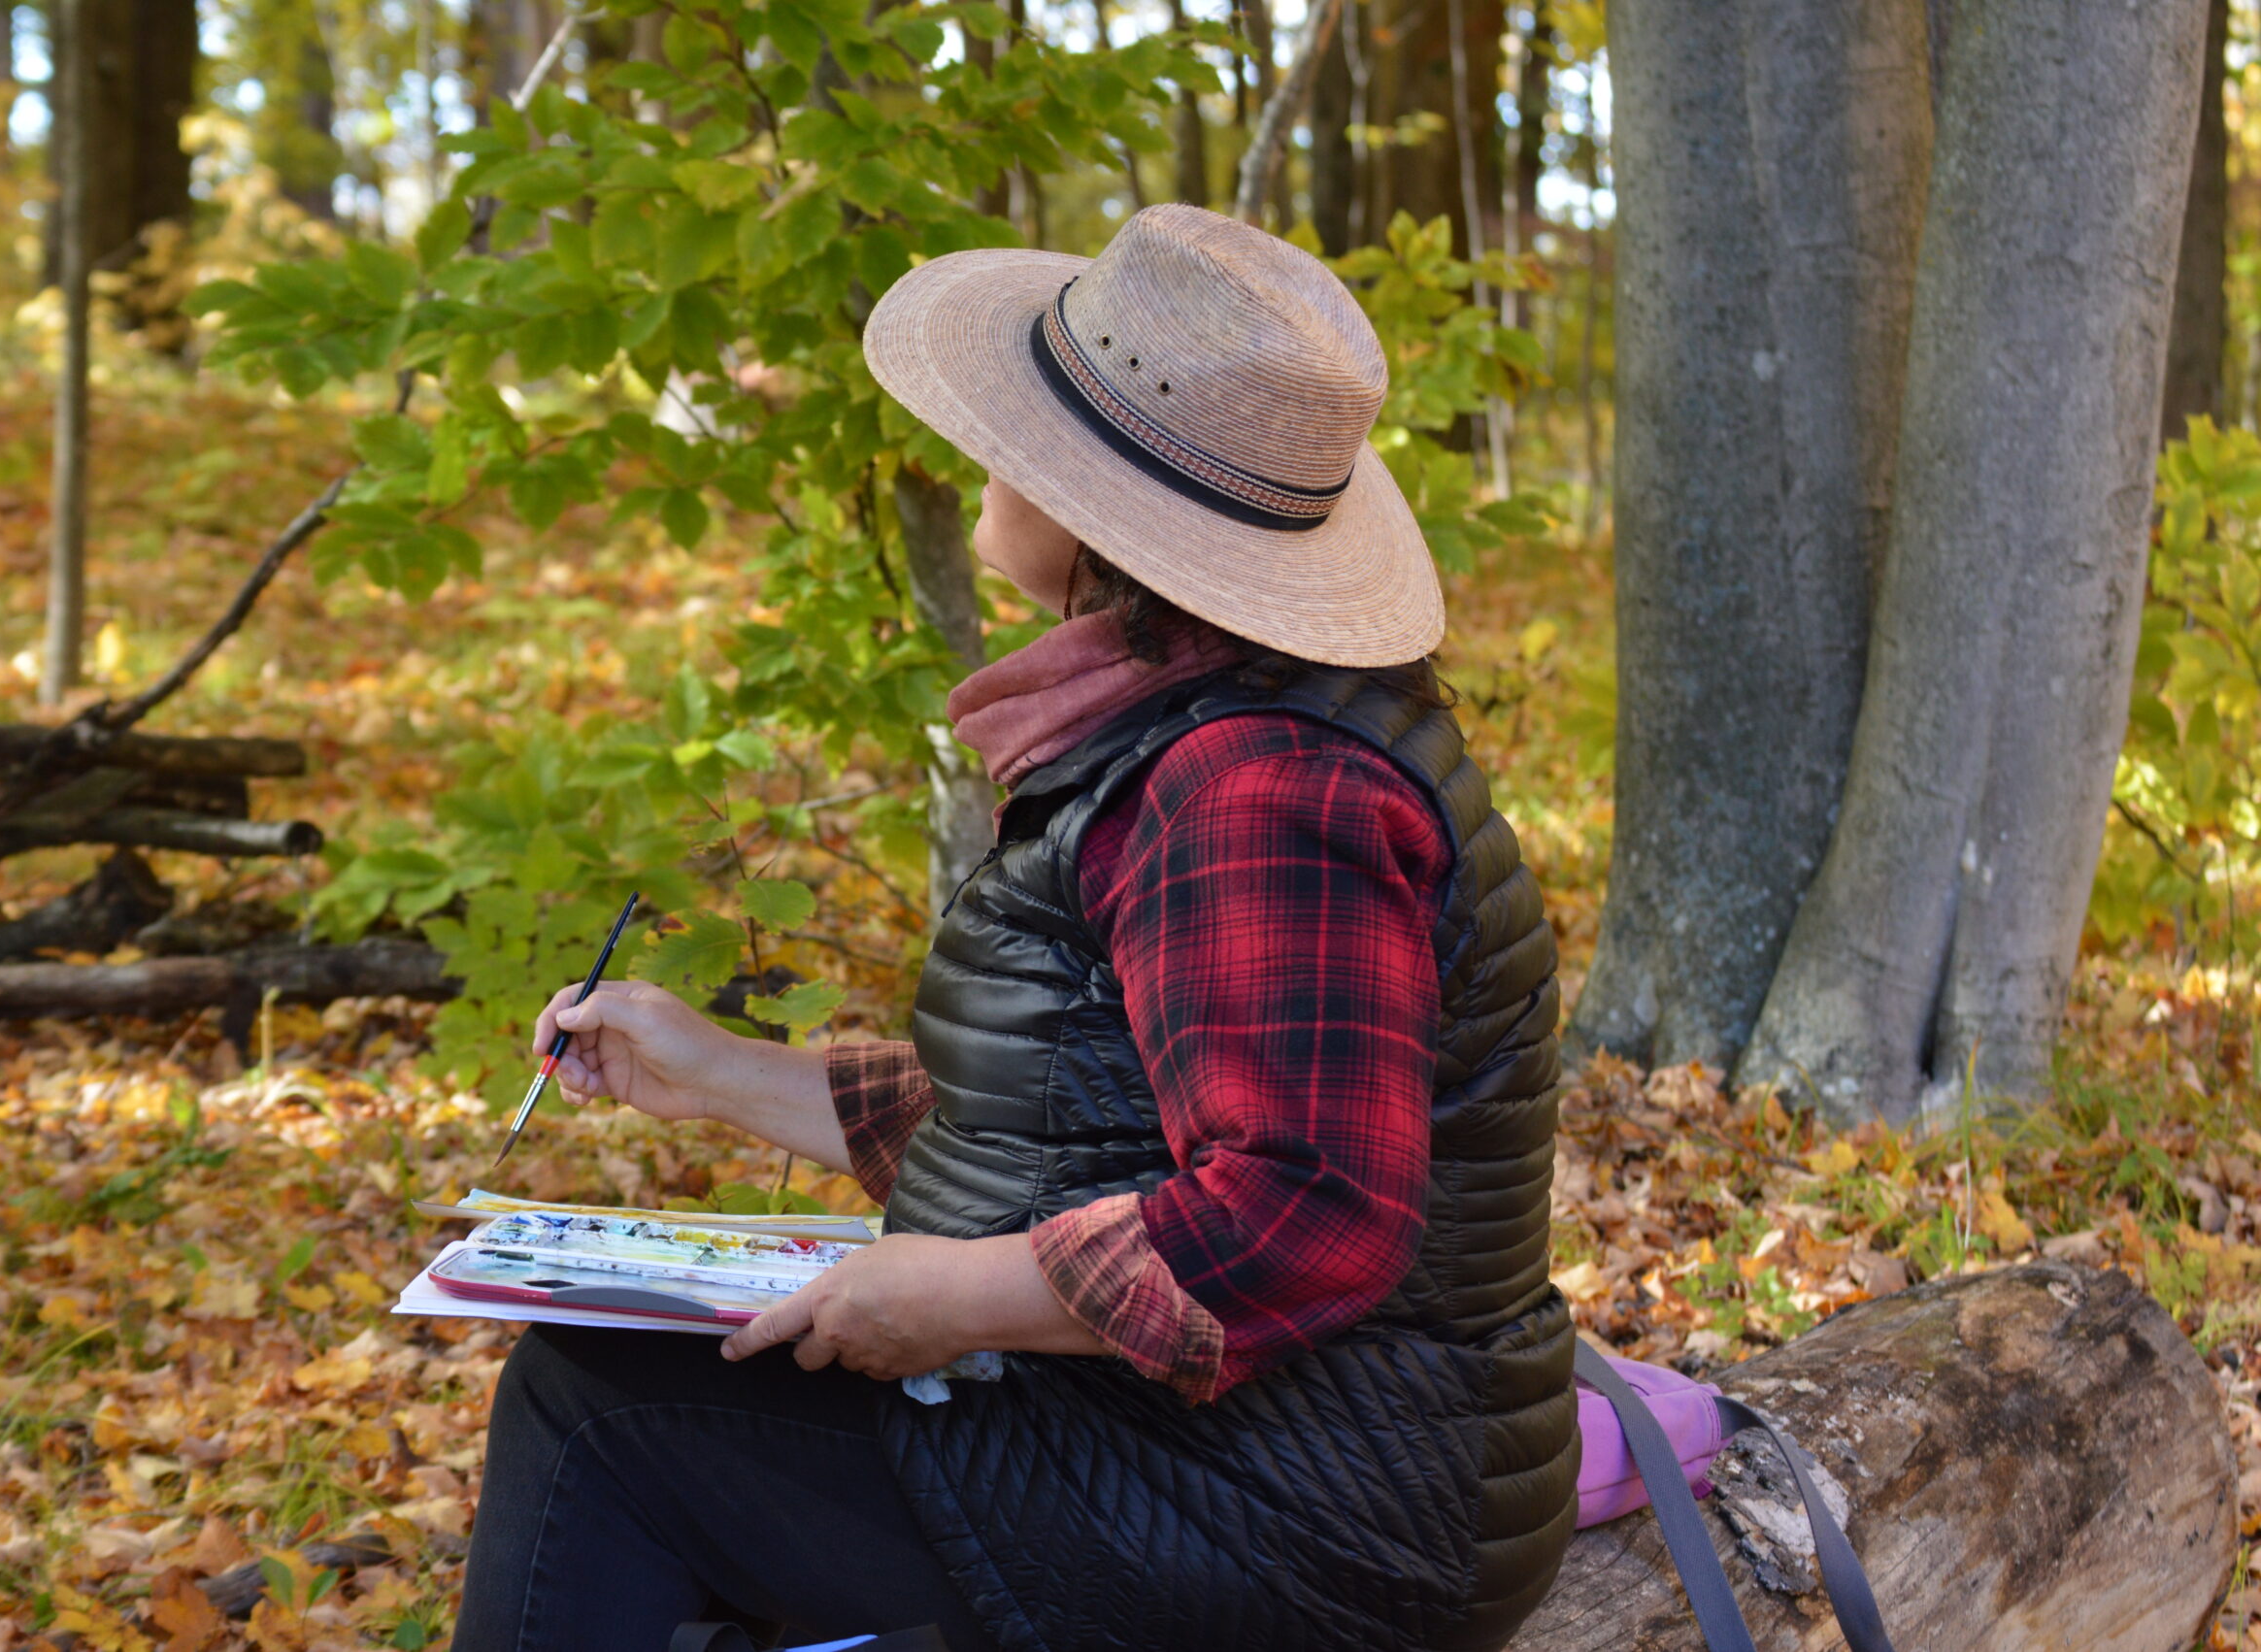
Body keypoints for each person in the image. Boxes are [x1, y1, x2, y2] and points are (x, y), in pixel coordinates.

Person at [452, 204, 1577, 1652]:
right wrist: (712, 1070)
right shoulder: (1204, 725)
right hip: (1254, 1456)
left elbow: (1313, 1207)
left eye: (1029, 436)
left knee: (600, 1416)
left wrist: (956, 1295)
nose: (988, 456)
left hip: (1308, 1511)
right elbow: (1073, 1110)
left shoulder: (1256, 786)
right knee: (634, 1408)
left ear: (1111, 514)